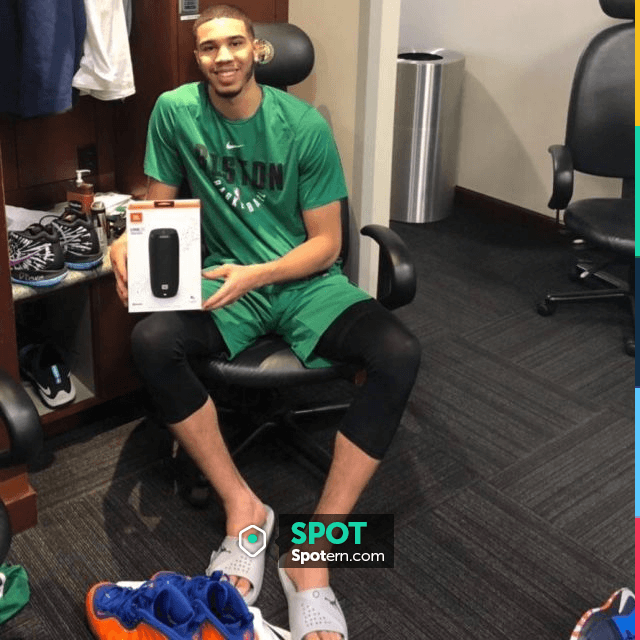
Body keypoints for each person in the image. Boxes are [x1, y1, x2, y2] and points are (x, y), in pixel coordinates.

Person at [110, 5, 420, 640]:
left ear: (257, 51)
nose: (221, 57)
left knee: (398, 352)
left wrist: (260, 272)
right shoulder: (174, 111)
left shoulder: (301, 125)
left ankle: (312, 557)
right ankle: (244, 506)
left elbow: (327, 245)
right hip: (227, 282)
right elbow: (158, 208)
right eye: (207, 48)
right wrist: (127, 239)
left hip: (300, 281)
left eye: (233, 44)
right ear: (196, 58)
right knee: (152, 341)